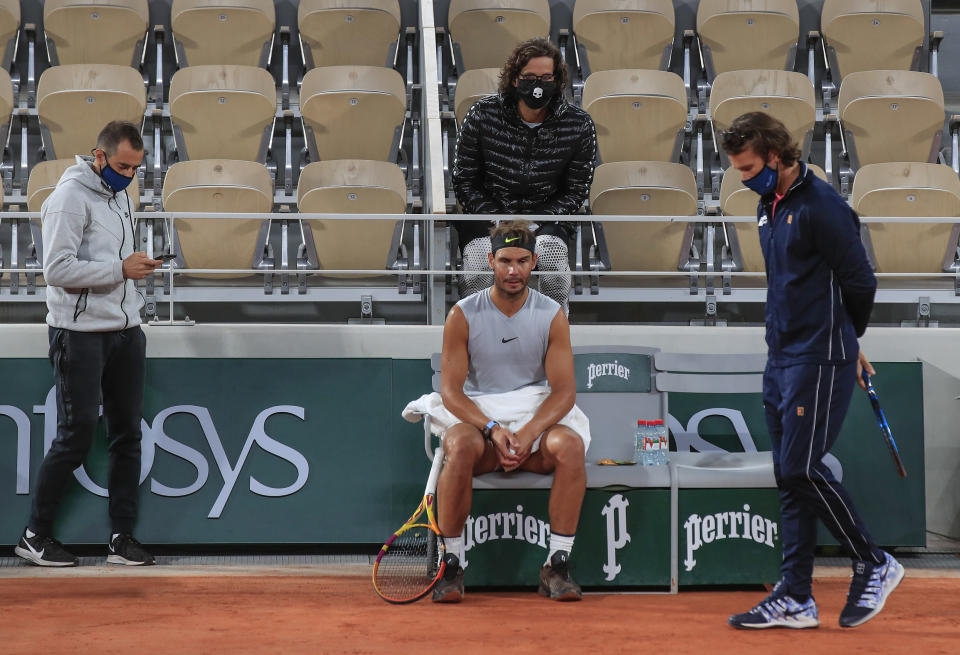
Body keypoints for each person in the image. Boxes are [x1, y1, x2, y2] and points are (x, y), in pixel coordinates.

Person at [720, 112, 903, 629]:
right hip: (781, 356)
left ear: (776, 156)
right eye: (738, 169)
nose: (744, 177)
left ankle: (874, 561)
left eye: (750, 167)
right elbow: (795, 284)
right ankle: (796, 596)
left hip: (819, 358)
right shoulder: (766, 205)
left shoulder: (824, 206)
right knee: (789, 477)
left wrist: (850, 338)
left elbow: (860, 282)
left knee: (801, 468)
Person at [15, 121, 162, 567]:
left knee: (127, 436)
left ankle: (121, 537)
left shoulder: (120, 196)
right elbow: (57, 270)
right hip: (78, 337)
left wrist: (132, 277)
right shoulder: (66, 199)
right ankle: (34, 535)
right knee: (75, 438)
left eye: (136, 168)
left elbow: (114, 264)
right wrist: (120, 269)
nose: (130, 176)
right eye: (122, 166)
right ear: (98, 156)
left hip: (125, 332)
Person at [427, 220, 589, 603]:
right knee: (458, 443)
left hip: (532, 429)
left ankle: (557, 564)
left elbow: (564, 392)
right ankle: (451, 565)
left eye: (521, 261)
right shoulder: (462, 315)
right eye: (504, 261)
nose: (513, 271)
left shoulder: (552, 315)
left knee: (570, 446)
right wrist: (493, 429)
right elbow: (450, 392)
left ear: (534, 262)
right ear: (490, 261)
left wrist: (529, 433)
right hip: (483, 427)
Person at [452, 37, 597, 315]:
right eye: (530, 77)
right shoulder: (483, 114)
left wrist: (536, 220)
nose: (538, 85)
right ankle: (475, 325)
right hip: (487, 216)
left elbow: (577, 189)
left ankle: (554, 324)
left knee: (552, 256)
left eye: (545, 77)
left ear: (557, 80)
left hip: (546, 218)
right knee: (481, 263)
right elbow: (464, 180)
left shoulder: (579, 124)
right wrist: (499, 219)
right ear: (515, 80)